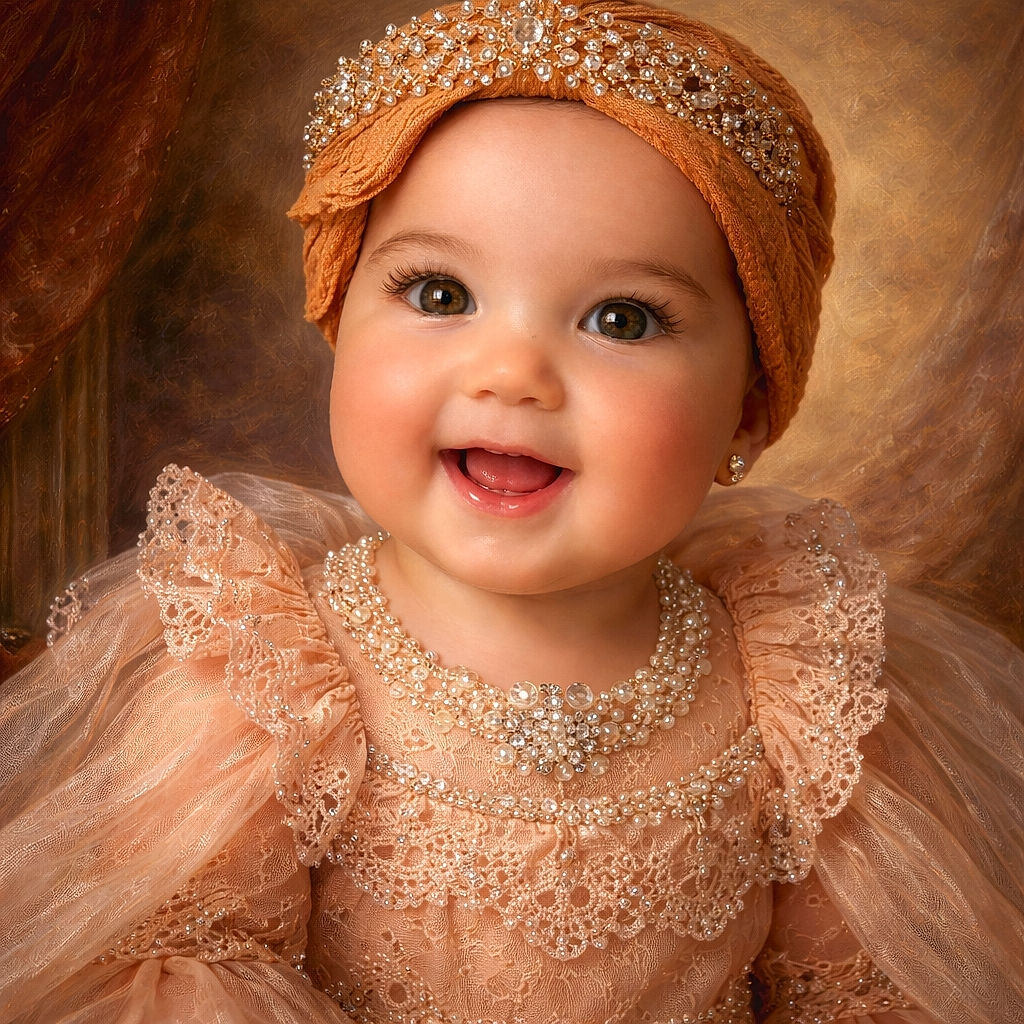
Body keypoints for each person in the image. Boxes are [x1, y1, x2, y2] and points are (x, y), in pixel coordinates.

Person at [1, 1, 1021, 1021]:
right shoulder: (265, 677)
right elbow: (199, 972)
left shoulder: (795, 691)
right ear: (335, 314)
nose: (513, 374)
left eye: (621, 319)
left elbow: (846, 991)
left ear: (750, 402)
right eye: (440, 294)